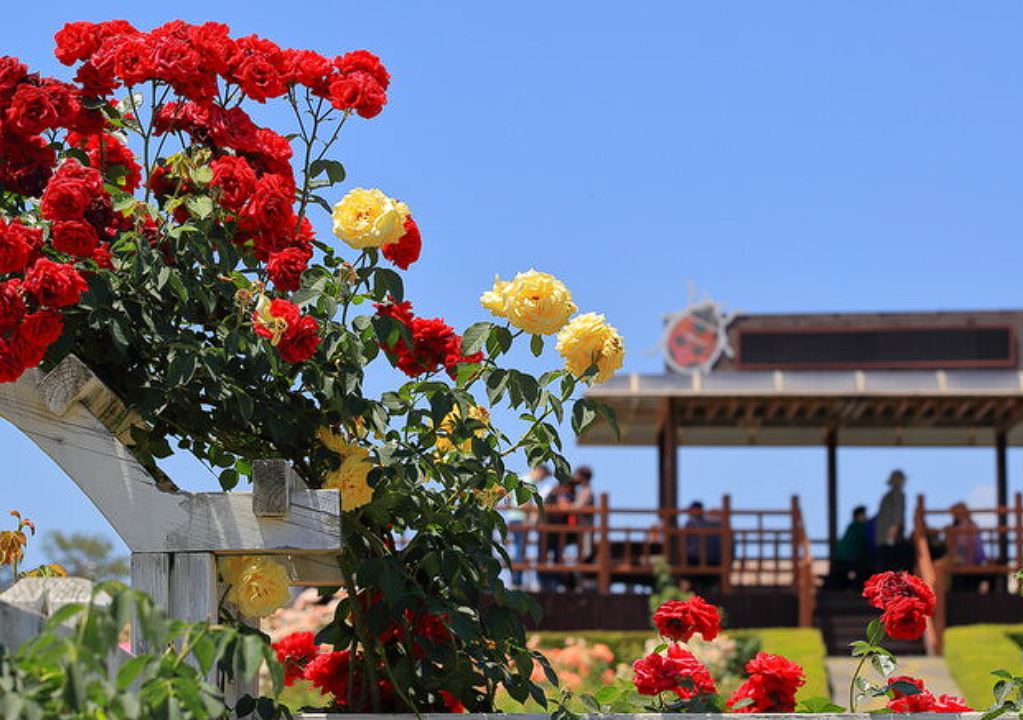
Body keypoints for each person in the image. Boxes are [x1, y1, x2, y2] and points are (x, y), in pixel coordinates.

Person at [505, 465, 553, 588]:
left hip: (513, 517)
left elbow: (509, 499)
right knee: (520, 549)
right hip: (521, 518)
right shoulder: (529, 483)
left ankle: (516, 578)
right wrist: (532, 514)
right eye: (543, 476)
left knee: (518, 548)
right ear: (539, 471)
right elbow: (525, 503)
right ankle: (517, 580)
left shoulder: (520, 479)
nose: (542, 479)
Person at [538, 475, 575, 592]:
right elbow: (565, 507)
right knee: (553, 557)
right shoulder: (560, 494)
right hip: (552, 531)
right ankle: (551, 583)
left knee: (547, 557)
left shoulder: (552, 493)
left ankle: (548, 583)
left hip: (548, 530)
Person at [945, 502, 986, 591]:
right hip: (961, 560)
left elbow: (969, 544)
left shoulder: (969, 526)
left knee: (966, 584)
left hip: (968, 560)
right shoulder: (961, 525)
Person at [829, 506, 870, 588]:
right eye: (864, 515)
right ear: (859, 516)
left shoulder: (851, 526)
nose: (867, 517)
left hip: (841, 558)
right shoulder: (861, 527)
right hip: (850, 559)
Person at [875, 470, 908, 570]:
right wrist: (893, 531)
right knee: (891, 561)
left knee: (888, 561)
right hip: (891, 534)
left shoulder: (890, 495)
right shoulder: (897, 495)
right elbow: (897, 515)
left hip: (888, 534)